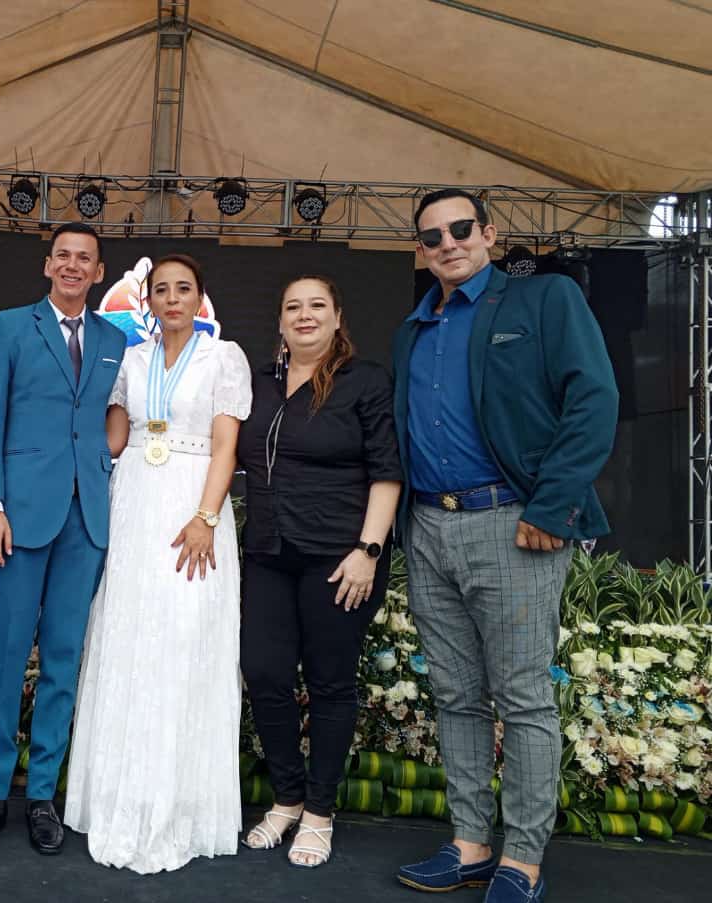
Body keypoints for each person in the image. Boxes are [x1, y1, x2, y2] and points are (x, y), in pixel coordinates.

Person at [392, 189, 618, 902]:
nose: (449, 243)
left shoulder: (543, 299)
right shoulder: (412, 327)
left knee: (522, 698)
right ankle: (470, 843)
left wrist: (552, 505)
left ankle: (522, 858)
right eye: (433, 237)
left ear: (489, 233)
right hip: (428, 526)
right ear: (421, 251)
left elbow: (594, 398)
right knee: (455, 694)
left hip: (513, 522)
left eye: (461, 228)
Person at [65, 254, 252, 873]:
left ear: (200, 299)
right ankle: (121, 797)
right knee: (130, 638)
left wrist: (205, 517)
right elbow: (116, 438)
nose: (172, 299)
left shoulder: (223, 357)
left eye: (183, 289)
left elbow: (226, 446)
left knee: (185, 639)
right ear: (147, 301)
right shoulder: (130, 359)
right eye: (162, 290)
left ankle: (182, 805)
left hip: (194, 504)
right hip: (135, 504)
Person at [0, 222, 126, 856]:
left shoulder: (114, 339)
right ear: (47, 264)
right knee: (6, 657)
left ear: (99, 271)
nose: (73, 266)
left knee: (63, 661)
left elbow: (115, 418)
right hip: (19, 518)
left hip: (86, 520)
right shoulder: (9, 327)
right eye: (63, 255)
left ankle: (41, 797)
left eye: (85, 258)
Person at [237, 275, 402, 868]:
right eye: (293, 307)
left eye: (316, 306)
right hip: (268, 553)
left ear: (337, 317)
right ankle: (287, 798)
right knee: (264, 673)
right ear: (280, 321)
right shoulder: (258, 382)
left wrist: (369, 551)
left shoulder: (366, 381)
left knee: (331, 682)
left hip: (340, 559)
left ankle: (320, 812)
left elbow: (388, 471)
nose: (304, 315)